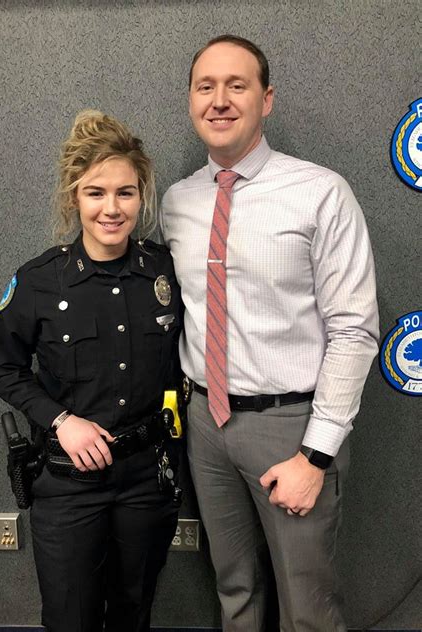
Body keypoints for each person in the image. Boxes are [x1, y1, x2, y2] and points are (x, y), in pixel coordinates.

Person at [161, 35, 379, 631]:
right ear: (190, 100)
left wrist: (315, 454)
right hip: (205, 423)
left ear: (267, 99)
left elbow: (354, 331)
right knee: (234, 589)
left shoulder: (320, 192)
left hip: (291, 426)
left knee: (307, 605)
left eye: (237, 85)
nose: (220, 100)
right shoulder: (177, 202)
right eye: (206, 87)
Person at [0, 110, 182, 632]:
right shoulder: (39, 281)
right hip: (69, 484)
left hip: (145, 478)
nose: (111, 209)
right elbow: (2, 367)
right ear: (74, 197)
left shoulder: (164, 271)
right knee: (70, 619)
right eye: (96, 192)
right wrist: (60, 420)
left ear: (141, 196)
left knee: (134, 614)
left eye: (125, 193)